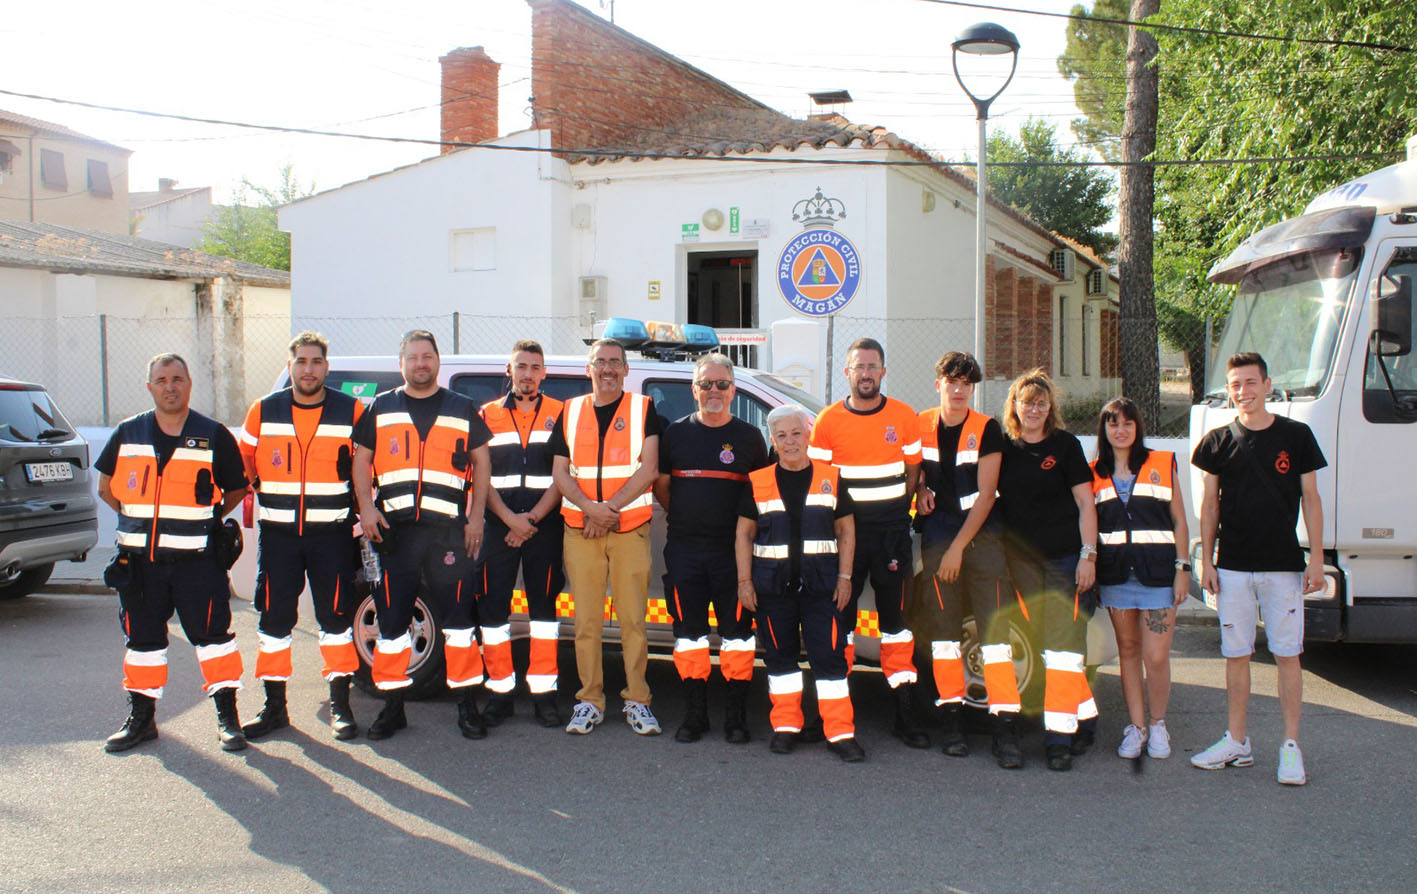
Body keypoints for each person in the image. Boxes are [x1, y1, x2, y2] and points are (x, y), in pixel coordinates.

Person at [96, 353, 250, 753]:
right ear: (150, 387)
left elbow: (235, 488)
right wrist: (144, 525)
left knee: (215, 641)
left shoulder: (213, 434)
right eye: (161, 379)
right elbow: (107, 487)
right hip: (140, 564)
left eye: (177, 378)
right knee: (142, 643)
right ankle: (142, 721)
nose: (170, 386)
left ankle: (228, 719)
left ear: (188, 384)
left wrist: (199, 521)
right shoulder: (128, 432)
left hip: (197, 562)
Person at [1190, 352, 1326, 785]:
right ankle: (1237, 741)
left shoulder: (1297, 436)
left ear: (1268, 384)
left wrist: (1317, 559)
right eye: (1235, 385)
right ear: (1228, 390)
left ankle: (1290, 746)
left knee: (1287, 654)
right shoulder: (1217, 441)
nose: (1243, 392)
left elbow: (1312, 499)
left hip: (1284, 566)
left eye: (1250, 383)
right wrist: (1207, 560)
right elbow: (1209, 505)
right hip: (1232, 567)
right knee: (1236, 655)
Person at [351, 330, 492, 740]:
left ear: (437, 361)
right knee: (393, 624)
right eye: (412, 357)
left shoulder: (462, 407)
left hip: (449, 532)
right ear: (402, 364)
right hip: (395, 535)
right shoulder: (381, 406)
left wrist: (477, 517)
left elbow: (481, 464)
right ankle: (392, 707)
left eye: (427, 356)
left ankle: (467, 706)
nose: (420, 364)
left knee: (459, 624)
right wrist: (367, 508)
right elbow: (362, 460)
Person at [238, 331, 365, 742]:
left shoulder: (352, 411)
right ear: (290, 366)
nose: (308, 369)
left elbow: (368, 470)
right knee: (274, 622)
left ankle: (341, 708)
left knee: (336, 622)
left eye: (316, 362)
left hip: (331, 537)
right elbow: (244, 468)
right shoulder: (263, 410)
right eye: (301, 362)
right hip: (279, 539)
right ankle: (274, 707)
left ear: (326, 367)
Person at [808, 337, 928, 749]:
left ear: (882, 371)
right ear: (847, 373)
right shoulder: (827, 421)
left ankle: (905, 714)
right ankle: (836, 717)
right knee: (839, 625)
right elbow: (820, 483)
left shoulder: (904, 416)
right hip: (845, 539)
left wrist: (898, 511)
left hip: (891, 536)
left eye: (872, 366)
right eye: (858, 367)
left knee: (895, 628)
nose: (865, 373)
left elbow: (914, 473)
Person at [736, 405, 863, 762]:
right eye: (781, 436)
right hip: (773, 590)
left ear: (808, 435)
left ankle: (840, 733)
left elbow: (847, 531)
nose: (789, 442)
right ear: (772, 440)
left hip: (823, 589)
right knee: (780, 660)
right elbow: (743, 536)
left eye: (795, 434)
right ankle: (787, 727)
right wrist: (744, 582)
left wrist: (845, 577)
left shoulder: (832, 478)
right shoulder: (758, 481)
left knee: (830, 661)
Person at [653, 353, 769, 744]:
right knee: (689, 635)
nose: (713, 391)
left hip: (732, 555)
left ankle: (735, 716)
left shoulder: (750, 438)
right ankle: (695, 714)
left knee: (737, 635)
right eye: (706, 384)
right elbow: (664, 489)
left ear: (733, 390)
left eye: (721, 384)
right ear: (694, 390)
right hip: (685, 550)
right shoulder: (676, 435)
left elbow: (759, 498)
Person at [913, 352, 1022, 766]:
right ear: (937, 384)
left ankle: (1005, 732)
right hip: (937, 538)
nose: (959, 390)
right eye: (951, 381)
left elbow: (987, 495)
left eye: (966, 383)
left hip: (981, 541)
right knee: (943, 639)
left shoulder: (987, 429)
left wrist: (958, 548)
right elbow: (916, 472)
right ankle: (952, 723)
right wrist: (920, 488)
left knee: (995, 640)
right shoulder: (921, 423)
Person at [550, 338, 662, 736]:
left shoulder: (643, 409)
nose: (608, 369)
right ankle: (590, 701)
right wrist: (589, 509)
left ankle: (637, 700)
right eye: (600, 362)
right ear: (589, 369)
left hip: (628, 528)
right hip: (581, 529)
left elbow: (648, 469)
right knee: (587, 622)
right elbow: (561, 473)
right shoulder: (571, 409)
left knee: (633, 619)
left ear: (627, 370)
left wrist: (606, 510)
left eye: (615, 362)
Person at [996, 369, 1099, 771]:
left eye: (1041, 402)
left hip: (1063, 560)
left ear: (1050, 407)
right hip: (1020, 563)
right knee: (1041, 646)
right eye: (1027, 402)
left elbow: (1086, 505)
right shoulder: (1003, 446)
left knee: (1064, 650)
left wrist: (1088, 556)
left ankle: (1059, 741)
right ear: (1015, 406)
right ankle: (1084, 720)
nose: (1034, 409)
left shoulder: (1067, 446)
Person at [1090, 397, 1190, 761]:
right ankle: (1137, 727)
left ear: (1137, 427)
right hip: (1116, 577)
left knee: (1156, 656)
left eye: (1127, 423)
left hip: (1160, 577)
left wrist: (1183, 569)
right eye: (1113, 423)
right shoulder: (1093, 473)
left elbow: (1180, 520)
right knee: (1129, 654)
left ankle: (1159, 723)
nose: (1120, 430)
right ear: (1104, 429)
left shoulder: (1161, 463)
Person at [478, 339, 565, 728]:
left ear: (544, 373)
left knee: (544, 614)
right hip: (497, 529)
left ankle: (544, 694)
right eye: (521, 367)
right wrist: (510, 520)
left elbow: (564, 476)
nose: (528, 374)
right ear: (509, 370)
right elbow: (480, 477)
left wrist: (529, 521)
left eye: (534, 367)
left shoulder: (562, 414)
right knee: (494, 612)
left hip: (543, 529)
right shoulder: (487, 415)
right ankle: (499, 693)